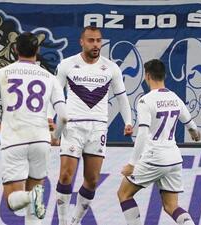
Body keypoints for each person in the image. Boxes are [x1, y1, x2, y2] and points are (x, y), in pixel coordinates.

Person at [0, 32, 67, 225]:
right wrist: (55, 136)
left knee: (13, 202)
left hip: (14, 139)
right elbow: (64, 115)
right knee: (35, 203)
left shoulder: (3, 72)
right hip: (40, 139)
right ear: (38, 50)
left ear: (15, 49)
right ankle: (32, 197)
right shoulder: (49, 77)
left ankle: (29, 197)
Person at [50, 26, 133, 225]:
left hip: (98, 129)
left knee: (92, 180)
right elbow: (54, 93)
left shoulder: (111, 68)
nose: (96, 44)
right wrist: (49, 118)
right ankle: (62, 222)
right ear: (82, 42)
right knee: (66, 175)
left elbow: (122, 98)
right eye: (91, 40)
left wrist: (129, 121)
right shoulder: (67, 65)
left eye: (98, 40)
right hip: (73, 126)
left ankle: (75, 221)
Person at [117, 59, 201, 225]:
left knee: (124, 194)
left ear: (147, 76)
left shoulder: (145, 101)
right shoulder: (175, 98)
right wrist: (195, 134)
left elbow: (142, 134)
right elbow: (192, 127)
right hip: (174, 157)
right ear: (164, 76)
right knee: (171, 206)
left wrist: (132, 164)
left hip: (154, 157)